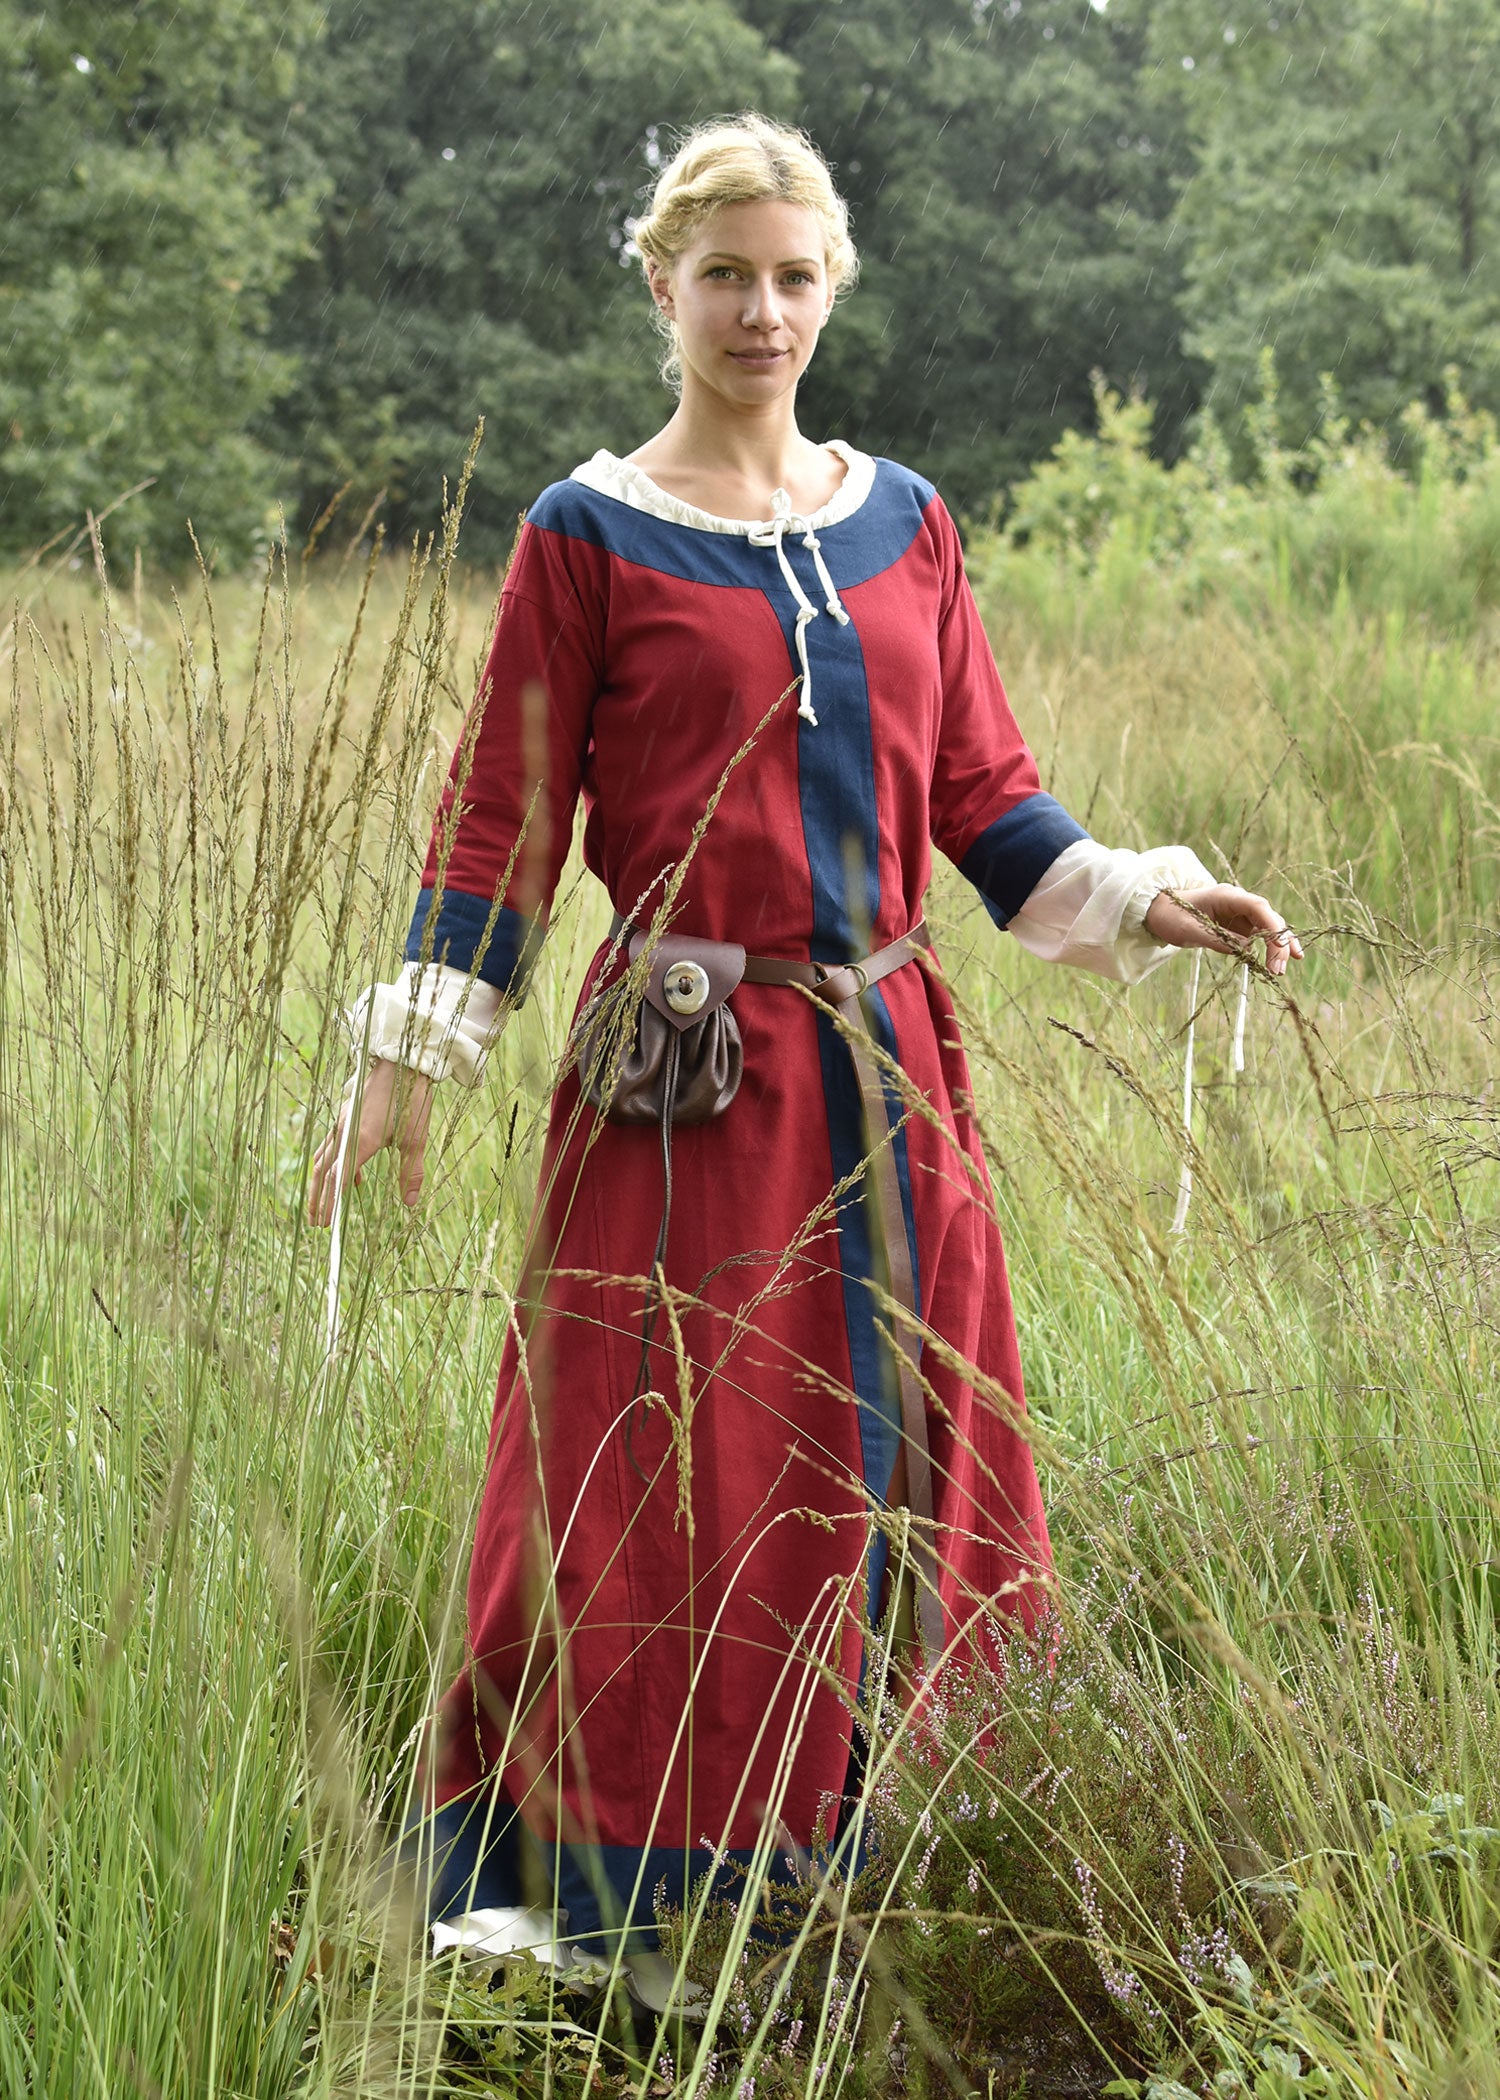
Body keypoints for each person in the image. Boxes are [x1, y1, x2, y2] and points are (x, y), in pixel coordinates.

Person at [307, 114, 1300, 1993]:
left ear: (831, 290)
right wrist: (408, 1060)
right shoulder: (589, 534)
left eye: (792, 277)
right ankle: (610, 1898)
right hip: (680, 1088)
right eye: (724, 277)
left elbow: (983, 792)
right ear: (663, 287)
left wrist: (1151, 896)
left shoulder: (904, 520)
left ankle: (900, 1862)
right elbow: (502, 821)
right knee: (652, 1470)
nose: (760, 311)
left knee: (910, 1448)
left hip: (893, 1072)